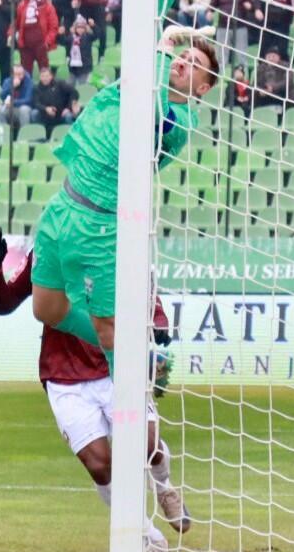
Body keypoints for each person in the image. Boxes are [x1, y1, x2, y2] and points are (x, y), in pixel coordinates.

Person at [0, 228, 184, 552]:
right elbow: (5, 304)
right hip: (65, 377)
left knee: (147, 444)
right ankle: (149, 539)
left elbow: (144, 286)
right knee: (100, 465)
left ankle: (165, 488)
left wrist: (158, 319)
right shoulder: (46, 253)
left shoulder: (114, 246)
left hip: (114, 365)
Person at [31, 28, 218, 353]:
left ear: (202, 88)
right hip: (63, 203)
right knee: (46, 309)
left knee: (107, 327)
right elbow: (146, 23)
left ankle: (137, 369)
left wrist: (166, 44)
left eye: (194, 64)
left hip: (99, 223)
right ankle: (138, 355)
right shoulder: (142, 82)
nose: (182, 62)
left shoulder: (181, 120)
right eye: (183, 56)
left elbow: (153, 109)